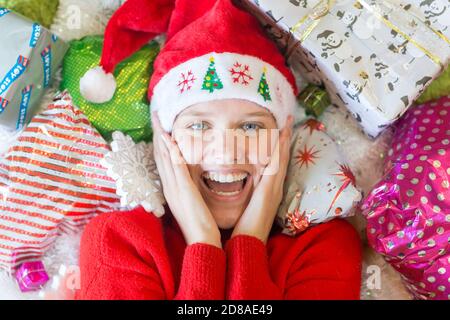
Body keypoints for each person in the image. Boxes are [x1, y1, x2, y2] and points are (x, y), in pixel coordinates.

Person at [76, 0, 362, 300]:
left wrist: (249, 242)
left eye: (250, 127)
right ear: (165, 139)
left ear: (283, 137)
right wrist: (203, 243)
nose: (226, 154)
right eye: (199, 126)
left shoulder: (323, 248)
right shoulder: (119, 242)